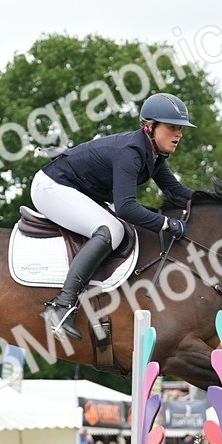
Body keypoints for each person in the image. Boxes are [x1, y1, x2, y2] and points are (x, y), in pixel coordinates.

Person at [33, 92, 197, 339]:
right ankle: (61, 306)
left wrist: (220, 203)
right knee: (111, 229)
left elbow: (177, 192)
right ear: (150, 127)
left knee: (121, 229)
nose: (179, 134)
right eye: (172, 127)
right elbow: (126, 208)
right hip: (52, 187)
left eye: (181, 128)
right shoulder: (130, 153)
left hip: (77, 190)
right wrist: (166, 223)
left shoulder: (154, 156)